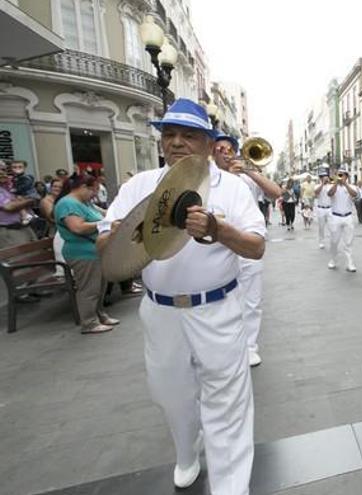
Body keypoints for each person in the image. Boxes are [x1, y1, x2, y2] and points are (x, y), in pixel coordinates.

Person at [97, 99, 266, 494]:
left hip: (218, 309)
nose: (176, 143)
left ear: (208, 144)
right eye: (169, 135)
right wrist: (121, 234)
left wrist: (217, 229)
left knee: (227, 402)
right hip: (161, 313)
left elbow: (256, 247)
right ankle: (187, 450)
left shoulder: (233, 188)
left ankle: (231, 485)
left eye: (188, 135)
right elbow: (106, 247)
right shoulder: (139, 185)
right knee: (169, 394)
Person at [213, 134, 283, 368]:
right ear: (212, 152)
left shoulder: (248, 178)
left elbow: (276, 193)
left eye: (229, 148)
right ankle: (228, 344)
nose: (225, 152)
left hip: (248, 245)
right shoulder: (210, 178)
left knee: (251, 301)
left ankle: (250, 346)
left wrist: (248, 171)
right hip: (218, 248)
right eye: (220, 148)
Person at [55, 173, 119, 334]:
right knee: (89, 289)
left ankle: (100, 315)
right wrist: (104, 224)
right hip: (82, 253)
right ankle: (89, 322)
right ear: (83, 187)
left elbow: (105, 213)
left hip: (96, 250)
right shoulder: (67, 204)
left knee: (100, 287)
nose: (95, 194)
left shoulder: (85, 202)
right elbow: (77, 227)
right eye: (93, 190)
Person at [327, 166, 358, 272]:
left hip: (348, 216)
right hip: (335, 217)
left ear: (347, 176)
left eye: (342, 175)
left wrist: (345, 184)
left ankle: (350, 263)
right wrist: (336, 182)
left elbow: (355, 194)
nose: (340, 177)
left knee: (348, 242)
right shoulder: (332, 186)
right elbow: (330, 193)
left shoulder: (351, 186)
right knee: (334, 241)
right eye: (339, 174)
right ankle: (333, 259)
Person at [0, 168, 38, 249]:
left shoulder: (8, 187)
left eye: (4, 170)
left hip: (25, 227)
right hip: (11, 231)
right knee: (21, 259)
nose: (3, 173)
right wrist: (31, 199)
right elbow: (9, 207)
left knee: (35, 255)